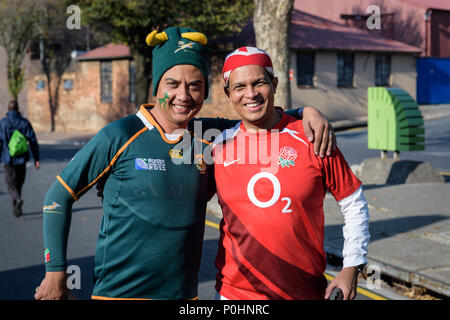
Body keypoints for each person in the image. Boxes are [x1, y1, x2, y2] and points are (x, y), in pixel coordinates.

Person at [35, 27, 334, 300]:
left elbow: (259, 115)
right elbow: (58, 197)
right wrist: (56, 271)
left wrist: (305, 111)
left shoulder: (208, 136)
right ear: (157, 86)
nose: (183, 96)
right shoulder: (120, 135)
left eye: (194, 85)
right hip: (119, 295)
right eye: (172, 84)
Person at [212, 47, 370, 300]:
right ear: (228, 93)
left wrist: (351, 267)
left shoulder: (313, 137)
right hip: (235, 294)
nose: (250, 94)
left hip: (303, 291)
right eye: (240, 87)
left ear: (274, 84)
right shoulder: (217, 145)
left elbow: (353, 203)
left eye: (259, 83)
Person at [0, 100, 40, 217]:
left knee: (10, 184)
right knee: (19, 183)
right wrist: (36, 158)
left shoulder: (3, 123)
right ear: (18, 109)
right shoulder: (25, 122)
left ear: (8, 110)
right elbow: (33, 141)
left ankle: (17, 200)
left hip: (8, 159)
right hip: (22, 158)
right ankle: (17, 207)